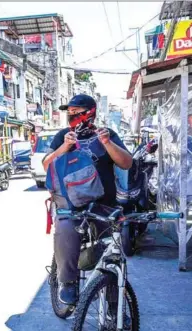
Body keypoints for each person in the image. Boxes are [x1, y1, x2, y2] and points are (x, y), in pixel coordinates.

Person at [43, 94, 133, 305]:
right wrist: (64, 148)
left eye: (77, 112)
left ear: (90, 113)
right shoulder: (63, 136)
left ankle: (114, 305)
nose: (72, 116)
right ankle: (68, 282)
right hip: (71, 206)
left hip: (104, 205)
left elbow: (127, 163)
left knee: (113, 253)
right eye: (70, 113)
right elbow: (47, 165)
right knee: (65, 229)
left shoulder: (107, 134)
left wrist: (107, 143)